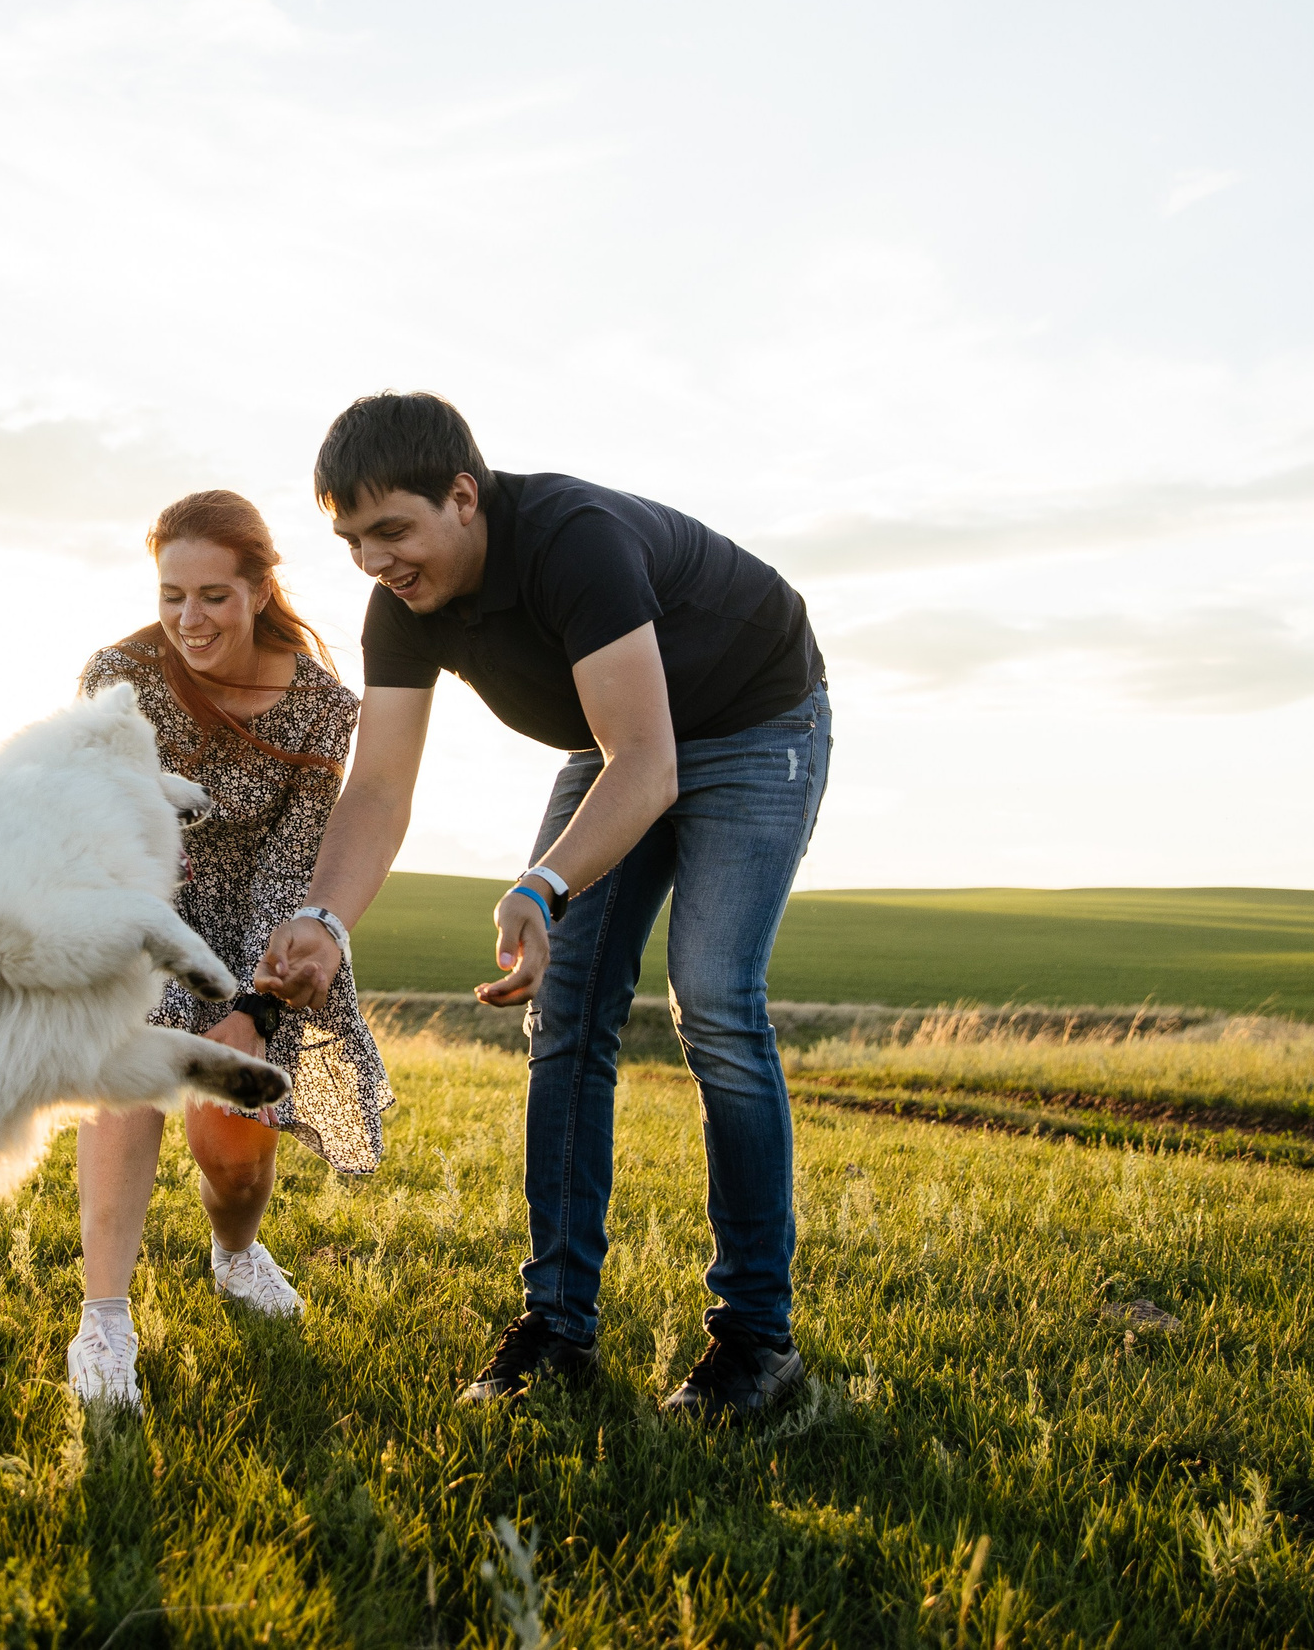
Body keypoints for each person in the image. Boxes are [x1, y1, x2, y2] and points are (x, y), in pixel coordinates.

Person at [254, 392, 829, 1421]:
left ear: (463, 498)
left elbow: (649, 764)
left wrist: (540, 885)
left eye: (393, 530)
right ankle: (556, 1327)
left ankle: (757, 1342)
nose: (375, 561)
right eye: (351, 541)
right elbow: (379, 788)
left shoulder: (575, 543)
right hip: (615, 750)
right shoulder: (402, 609)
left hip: (750, 723)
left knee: (713, 998)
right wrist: (324, 921)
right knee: (562, 1013)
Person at [65, 489, 393, 1409]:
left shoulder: (321, 703)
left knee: (232, 1150)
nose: (189, 617)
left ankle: (236, 1253)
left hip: (262, 918)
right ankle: (103, 1322)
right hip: (143, 898)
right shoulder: (116, 678)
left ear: (258, 587)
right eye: (173, 594)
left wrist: (251, 1005)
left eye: (213, 595)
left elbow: (294, 863)